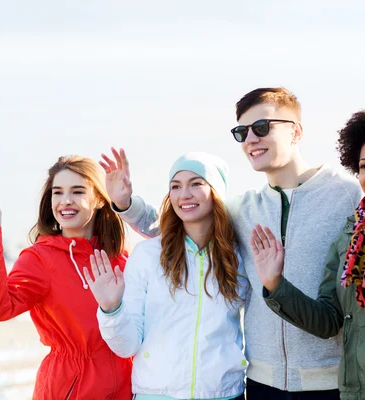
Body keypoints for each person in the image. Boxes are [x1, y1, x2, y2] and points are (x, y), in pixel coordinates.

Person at [101, 88, 362, 399]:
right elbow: (180, 224)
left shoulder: (347, 195)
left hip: (329, 379)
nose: (251, 139)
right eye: (242, 132)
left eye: (262, 127)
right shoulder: (245, 210)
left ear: (296, 131)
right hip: (262, 383)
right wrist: (127, 205)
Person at [250, 103, 365, 399]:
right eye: (364, 165)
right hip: (358, 393)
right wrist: (275, 285)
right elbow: (329, 321)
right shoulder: (350, 236)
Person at [0, 156, 132, 400]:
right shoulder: (40, 259)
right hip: (69, 388)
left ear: (100, 200)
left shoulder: (120, 258)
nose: (66, 201)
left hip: (126, 388)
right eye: (58, 193)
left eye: (77, 191)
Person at [85, 152, 247, 400]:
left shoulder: (237, 256)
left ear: (216, 193)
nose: (184, 194)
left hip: (224, 394)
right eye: (176, 186)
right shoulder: (148, 255)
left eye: (196, 184)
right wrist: (111, 310)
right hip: (157, 394)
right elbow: (126, 346)